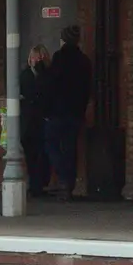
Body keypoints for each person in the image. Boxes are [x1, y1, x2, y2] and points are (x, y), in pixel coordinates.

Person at [44, 25, 92, 200]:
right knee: (70, 148)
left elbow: (52, 84)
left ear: (63, 39)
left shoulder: (59, 58)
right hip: (76, 112)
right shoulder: (84, 60)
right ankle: (68, 184)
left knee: (50, 143)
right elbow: (87, 88)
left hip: (58, 111)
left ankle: (63, 178)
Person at [19, 44, 53, 198]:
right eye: (34, 57)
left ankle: (40, 184)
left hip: (43, 119)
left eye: (39, 57)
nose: (36, 60)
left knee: (43, 154)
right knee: (31, 154)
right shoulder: (25, 75)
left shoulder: (47, 75)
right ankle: (35, 185)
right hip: (28, 122)